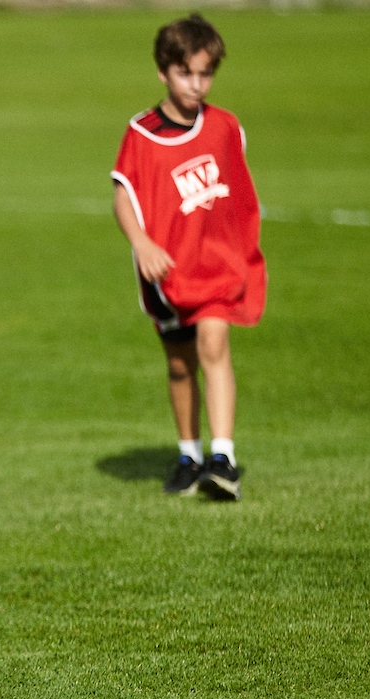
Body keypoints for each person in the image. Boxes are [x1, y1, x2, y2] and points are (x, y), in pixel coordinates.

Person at [111, 13, 266, 501]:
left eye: (206, 74)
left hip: (215, 267)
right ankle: (189, 455)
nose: (197, 85)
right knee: (180, 365)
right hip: (168, 273)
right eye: (186, 73)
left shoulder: (223, 127)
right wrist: (142, 243)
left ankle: (223, 457)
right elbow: (123, 194)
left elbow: (240, 194)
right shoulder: (143, 133)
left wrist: (240, 250)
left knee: (214, 345)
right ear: (163, 71)